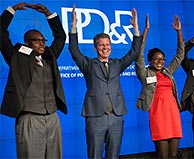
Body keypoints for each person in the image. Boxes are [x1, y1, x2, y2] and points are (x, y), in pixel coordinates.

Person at [68, 4, 143, 159]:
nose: (105, 47)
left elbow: (134, 52)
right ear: (95, 48)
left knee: (113, 155)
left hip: (116, 116)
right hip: (95, 116)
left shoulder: (117, 63)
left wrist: (135, 27)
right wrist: (74, 26)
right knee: (94, 154)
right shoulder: (88, 64)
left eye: (107, 44)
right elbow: (74, 50)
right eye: (101, 45)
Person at [0, 2, 67, 158]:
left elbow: (60, 36)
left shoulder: (50, 57)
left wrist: (49, 14)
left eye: (43, 40)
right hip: (29, 118)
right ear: (27, 43)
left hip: (52, 117)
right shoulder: (16, 57)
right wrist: (12, 10)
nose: (42, 43)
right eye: (37, 40)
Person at [135, 15, 184, 159]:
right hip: (158, 115)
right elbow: (138, 55)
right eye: (156, 59)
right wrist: (146, 31)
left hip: (173, 113)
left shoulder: (168, 72)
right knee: (163, 156)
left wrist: (179, 32)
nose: (160, 61)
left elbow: (180, 55)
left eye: (162, 59)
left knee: (173, 155)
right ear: (150, 60)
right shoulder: (145, 73)